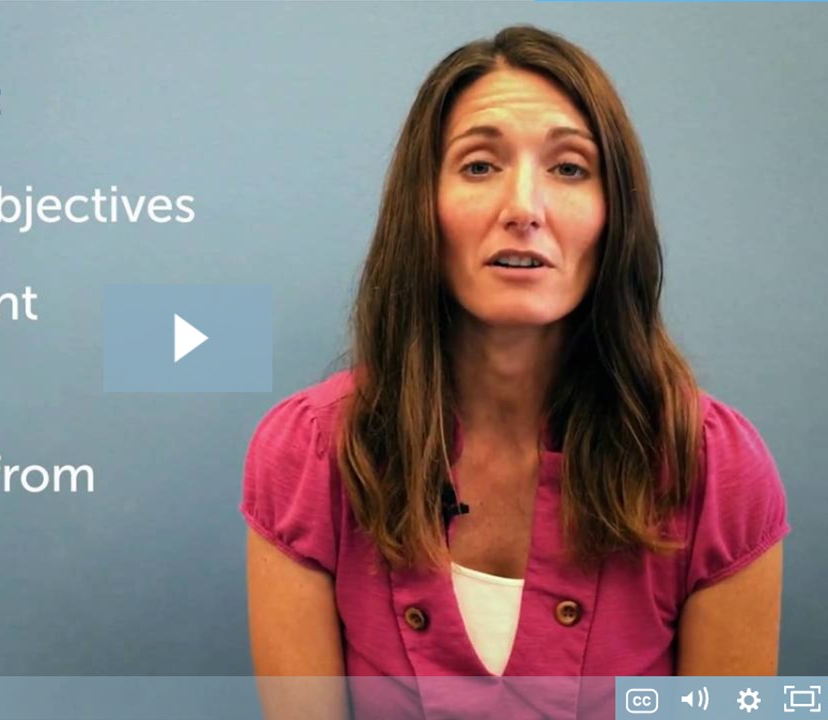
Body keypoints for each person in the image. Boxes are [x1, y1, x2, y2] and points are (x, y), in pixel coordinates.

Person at [240, 25, 790, 720]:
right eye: (479, 167)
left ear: (615, 215)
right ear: (422, 209)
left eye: (569, 169)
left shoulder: (715, 471)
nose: (524, 209)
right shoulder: (307, 455)